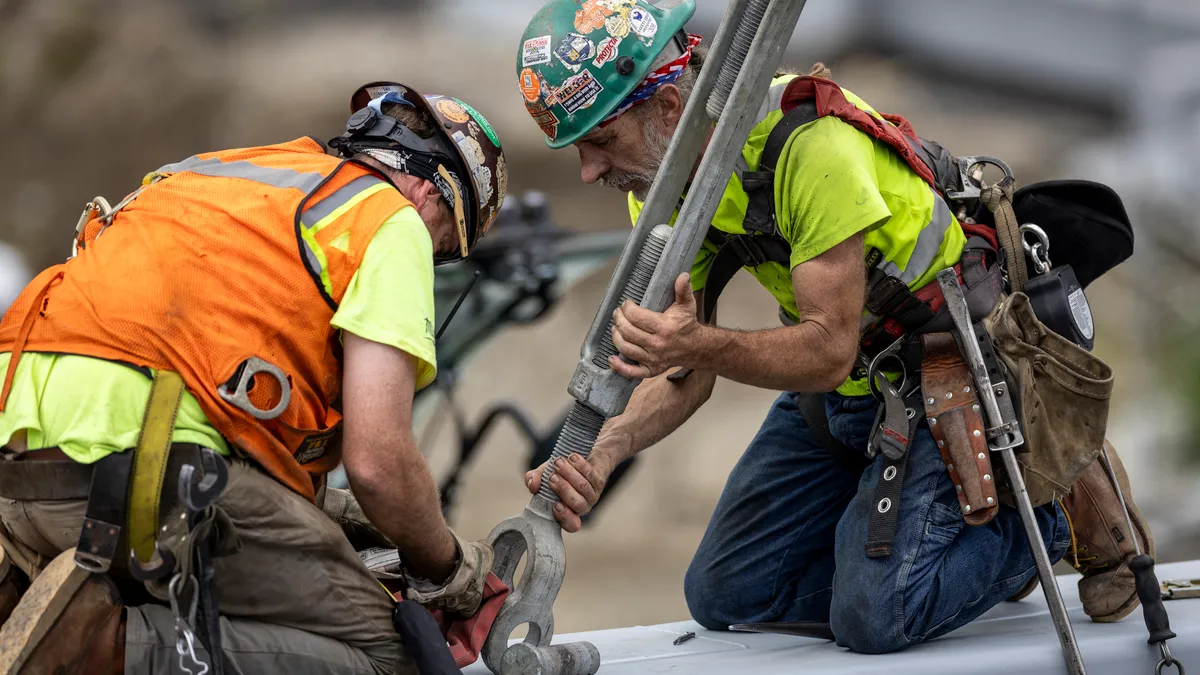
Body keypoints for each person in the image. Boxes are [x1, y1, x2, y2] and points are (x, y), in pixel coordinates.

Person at [516, 0, 1153, 654]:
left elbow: (824, 349)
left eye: (599, 140)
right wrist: (607, 447)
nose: (589, 169)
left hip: (941, 375)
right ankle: (924, 558)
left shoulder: (815, 149)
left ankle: (1053, 509)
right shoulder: (665, 184)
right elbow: (688, 373)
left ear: (669, 113)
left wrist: (699, 343)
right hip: (846, 391)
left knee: (878, 619)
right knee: (725, 591)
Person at [0, 80, 507, 674]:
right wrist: (447, 566)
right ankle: (96, 647)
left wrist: (331, 512)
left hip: (19, 476)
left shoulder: (223, 172)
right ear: (429, 194)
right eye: (444, 245)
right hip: (142, 474)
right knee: (393, 658)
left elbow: (198, 363)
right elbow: (379, 463)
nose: (430, 257)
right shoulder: (389, 220)